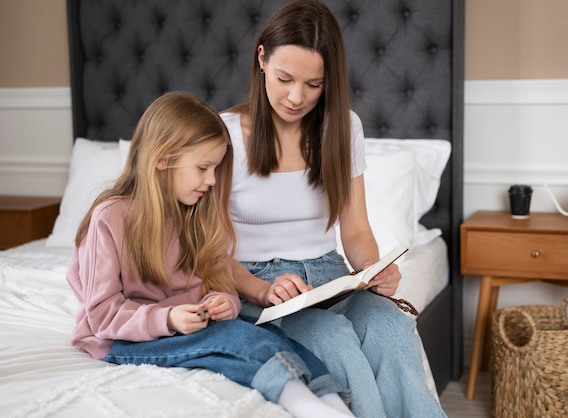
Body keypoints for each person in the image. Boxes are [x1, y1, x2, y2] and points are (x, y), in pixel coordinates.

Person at [65, 91, 354, 418]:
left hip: (182, 326)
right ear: (162, 158)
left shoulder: (193, 214)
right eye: (203, 167)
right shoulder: (110, 218)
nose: (212, 180)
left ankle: (328, 399)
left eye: (215, 168)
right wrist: (169, 318)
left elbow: (217, 282)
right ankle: (305, 405)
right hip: (118, 338)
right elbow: (100, 314)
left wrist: (223, 303)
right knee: (238, 338)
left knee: (260, 333)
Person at [221, 1, 448, 417]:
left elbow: (356, 228)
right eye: (284, 78)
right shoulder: (224, 135)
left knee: (393, 330)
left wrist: (373, 268)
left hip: (332, 278)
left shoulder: (345, 127)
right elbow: (210, 250)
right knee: (334, 340)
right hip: (260, 286)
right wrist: (262, 290)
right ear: (261, 59)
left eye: (314, 84)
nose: (296, 97)